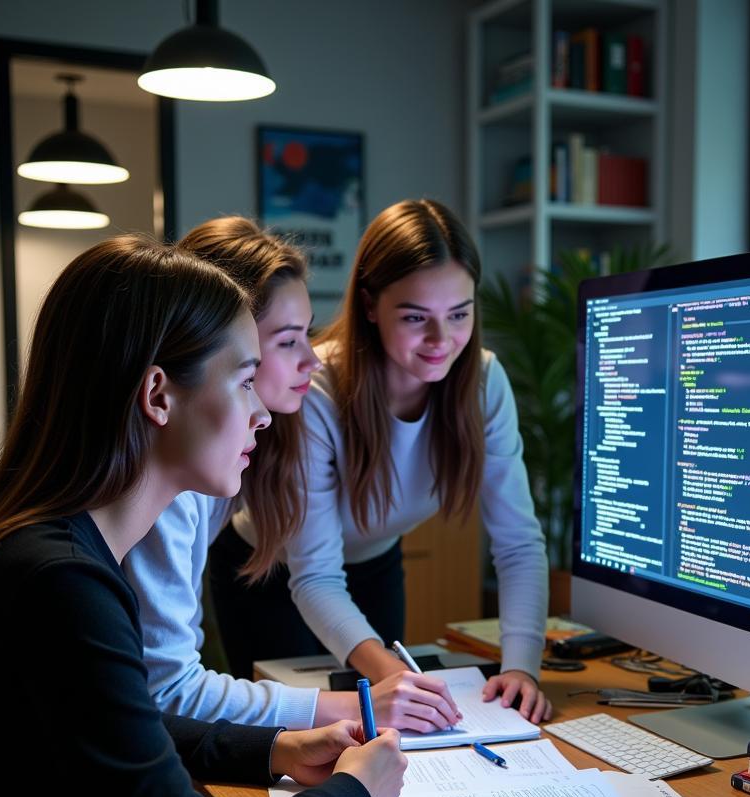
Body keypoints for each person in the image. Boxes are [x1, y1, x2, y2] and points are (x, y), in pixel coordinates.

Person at [0, 236, 407, 797]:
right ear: (158, 396)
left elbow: (118, 728)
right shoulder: (62, 585)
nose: (259, 412)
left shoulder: (61, 546)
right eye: (244, 379)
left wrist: (269, 748)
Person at [209, 199, 553, 723]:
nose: (442, 341)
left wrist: (522, 667)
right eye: (416, 318)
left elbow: (519, 542)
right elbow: (316, 576)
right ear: (370, 304)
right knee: (290, 736)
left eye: (459, 314)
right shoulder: (316, 387)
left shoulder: (484, 382)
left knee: (389, 727)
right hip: (269, 573)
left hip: (374, 565)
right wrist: (392, 674)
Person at [124, 216, 461, 735]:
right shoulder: (167, 489)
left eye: (307, 334)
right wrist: (354, 707)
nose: (311, 360)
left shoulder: (218, 468)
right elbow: (167, 688)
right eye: (286, 342)